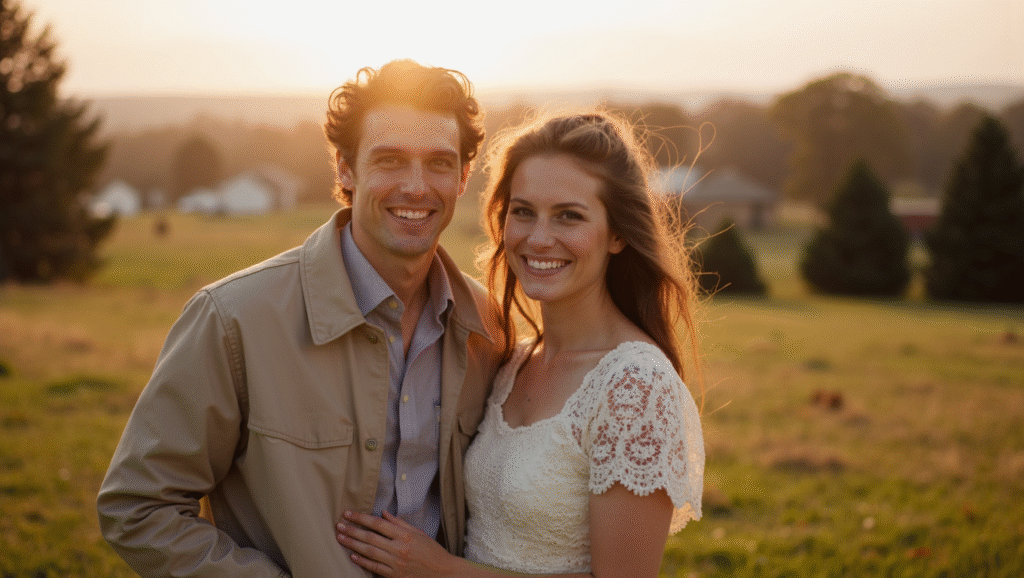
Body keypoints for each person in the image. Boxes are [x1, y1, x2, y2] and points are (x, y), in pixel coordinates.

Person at [96, 59, 503, 578]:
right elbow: (137, 507)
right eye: (391, 160)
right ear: (345, 168)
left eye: (440, 163)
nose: (416, 186)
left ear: (464, 176)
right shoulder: (233, 319)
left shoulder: (488, 326)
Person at [335, 111, 705, 578]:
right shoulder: (513, 360)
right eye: (523, 212)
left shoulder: (637, 387)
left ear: (617, 234)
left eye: (569, 216)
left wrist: (442, 572)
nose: (539, 238)